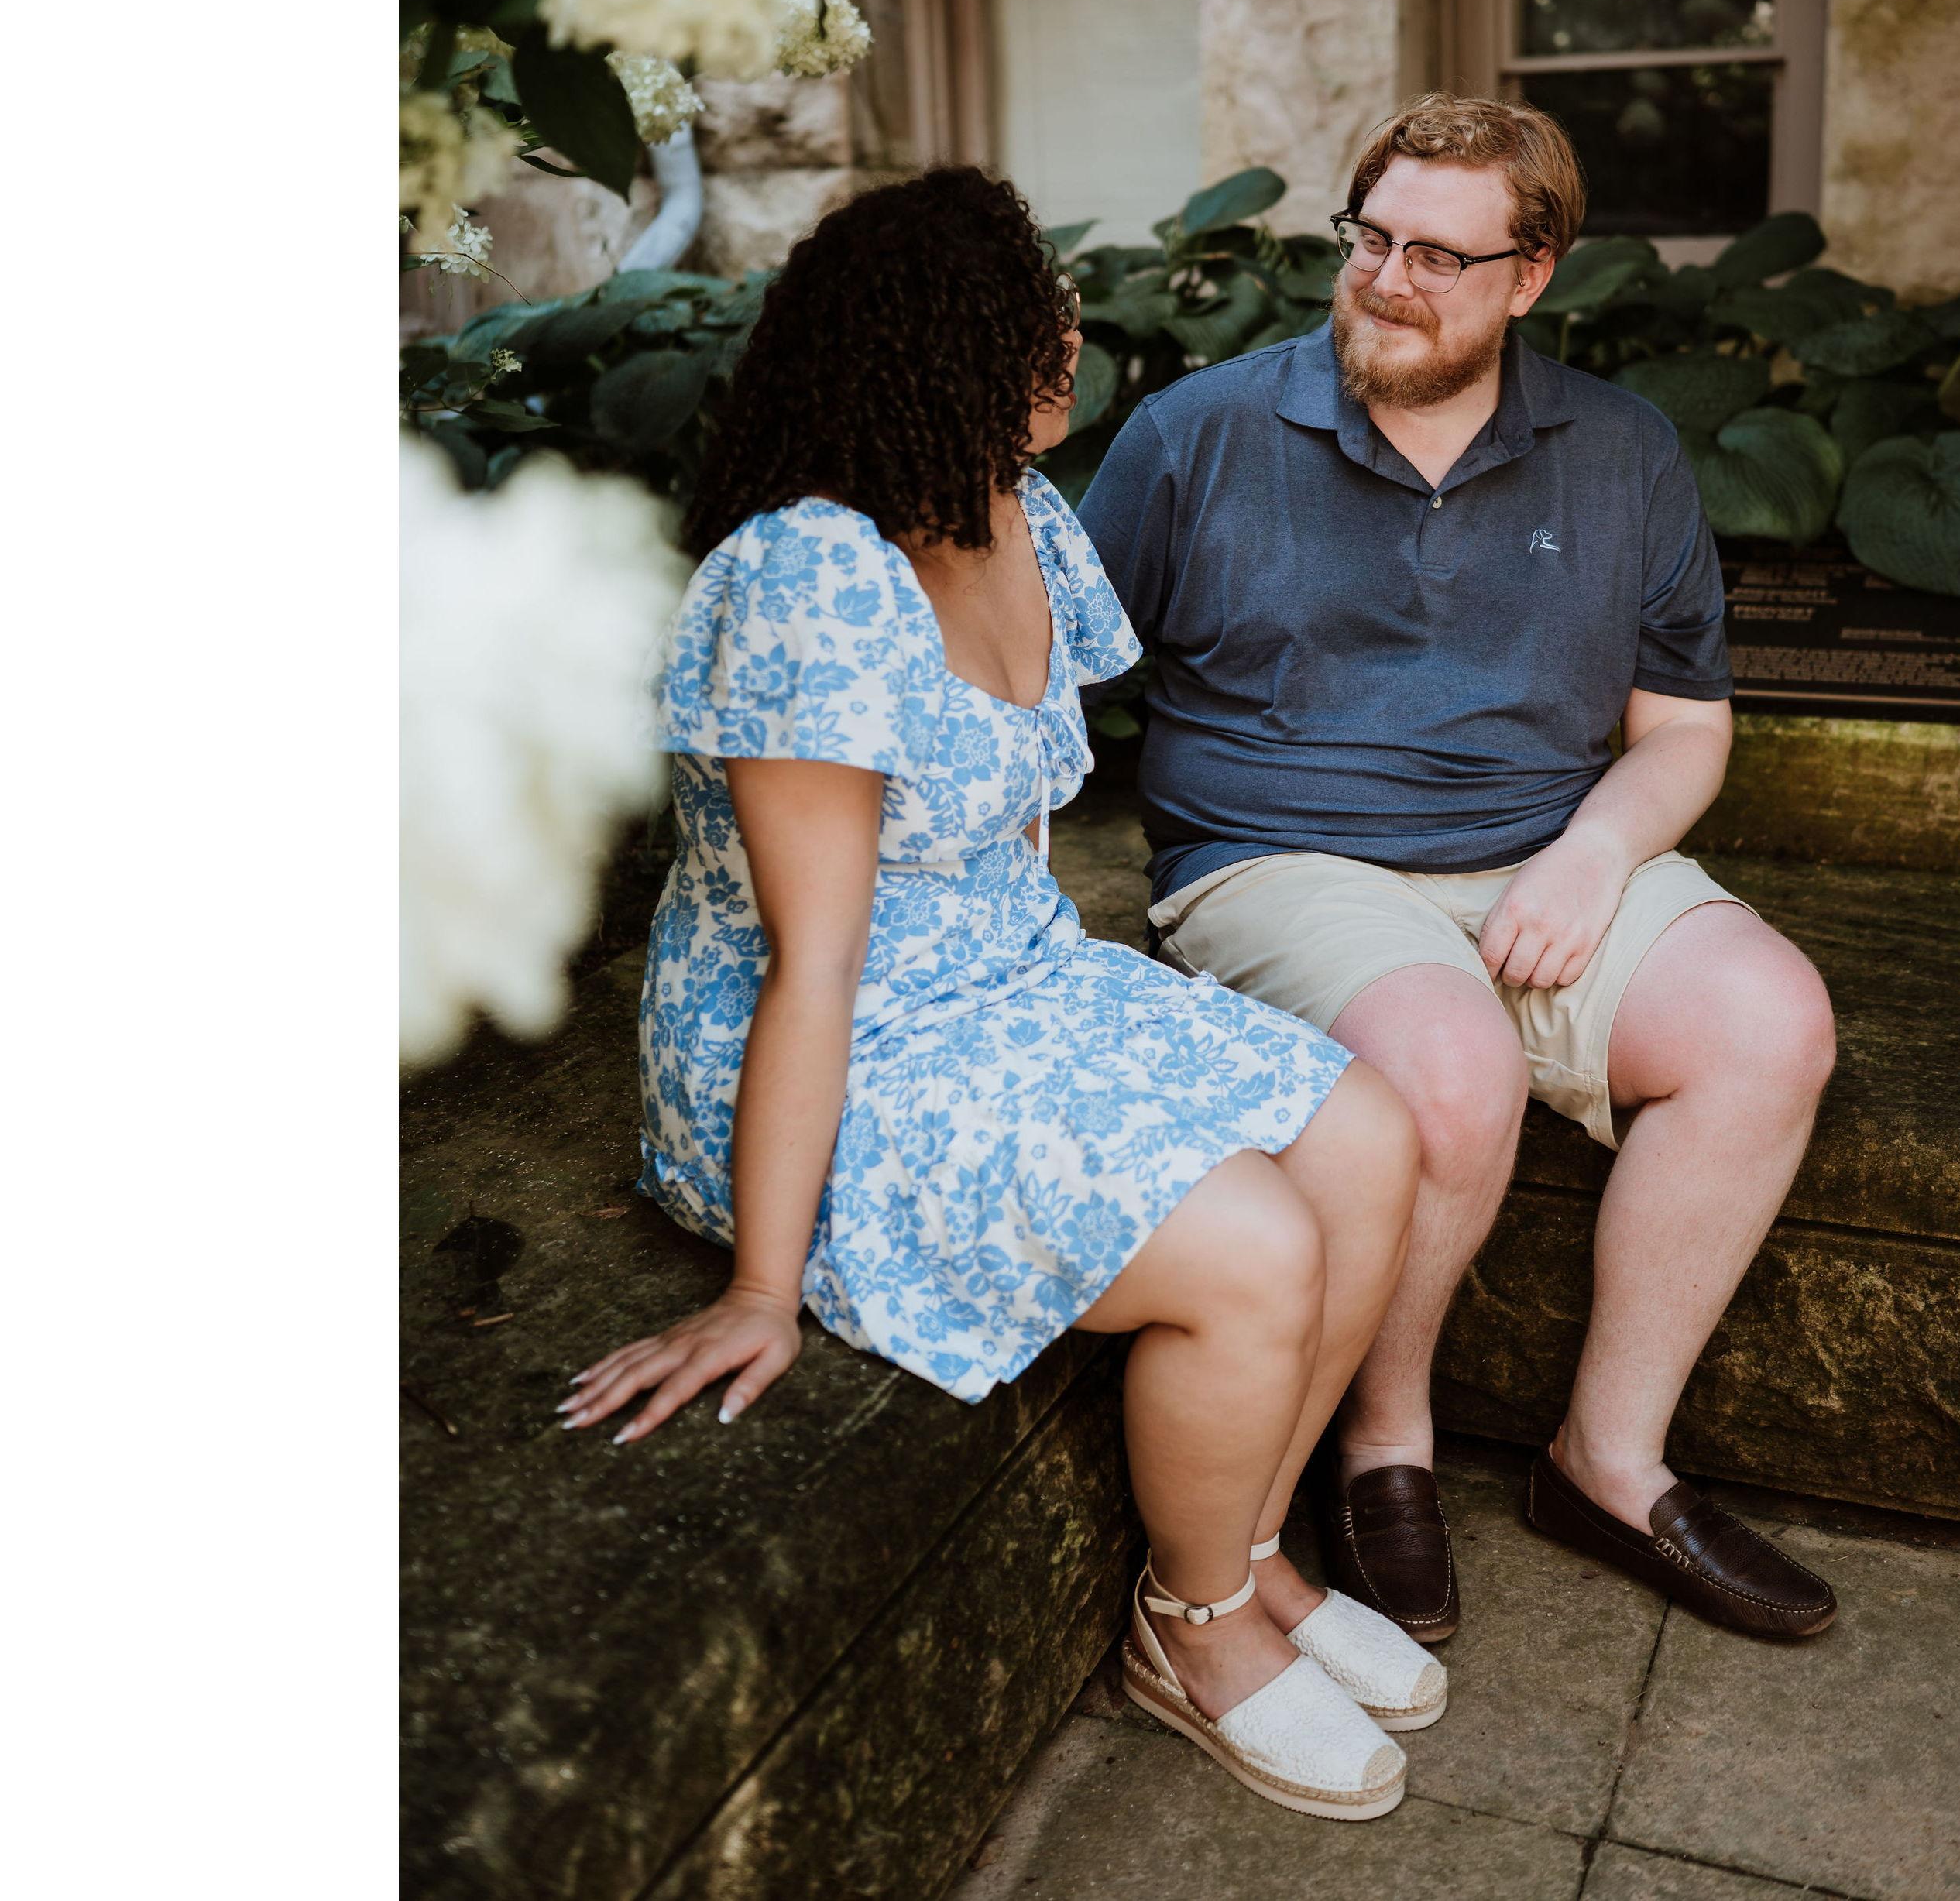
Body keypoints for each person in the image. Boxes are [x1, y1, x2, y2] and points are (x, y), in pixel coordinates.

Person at [557, 166, 1443, 1822]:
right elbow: (816, 960)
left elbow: (1014, 844)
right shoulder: (809, 579)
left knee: (1368, 1135)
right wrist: (761, 1285)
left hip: (1004, 973)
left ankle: (1251, 1552)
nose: (1069, 335)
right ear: (937, 354)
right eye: (1032, 315)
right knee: (1250, 1247)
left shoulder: (1014, 507)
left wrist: (1090, 1025)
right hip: (834, 1037)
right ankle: (1189, 1630)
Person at [1077, 96, 1842, 1646]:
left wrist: (1596, 853)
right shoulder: (1196, 435)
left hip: (1547, 848)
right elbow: (1043, 678)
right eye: (1370, 238)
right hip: (1282, 859)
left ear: (1531, 275)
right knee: (1449, 1065)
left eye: (1438, 254)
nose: (1386, 278)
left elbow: (1686, 729)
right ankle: (1386, 1446)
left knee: (1772, 1024)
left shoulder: (1621, 451)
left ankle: (1607, 1463)